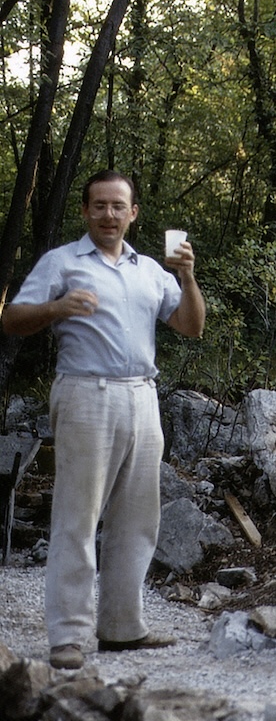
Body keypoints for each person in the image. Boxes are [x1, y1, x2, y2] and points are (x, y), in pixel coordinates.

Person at [3, 170, 206, 670]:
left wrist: (188, 276)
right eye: (100, 206)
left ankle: (121, 627)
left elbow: (191, 326)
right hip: (85, 393)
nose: (109, 215)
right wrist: (56, 307)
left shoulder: (149, 270)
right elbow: (11, 319)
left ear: (133, 213)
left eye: (118, 206)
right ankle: (68, 636)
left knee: (138, 520)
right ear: (85, 211)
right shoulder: (62, 262)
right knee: (76, 517)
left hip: (143, 396)